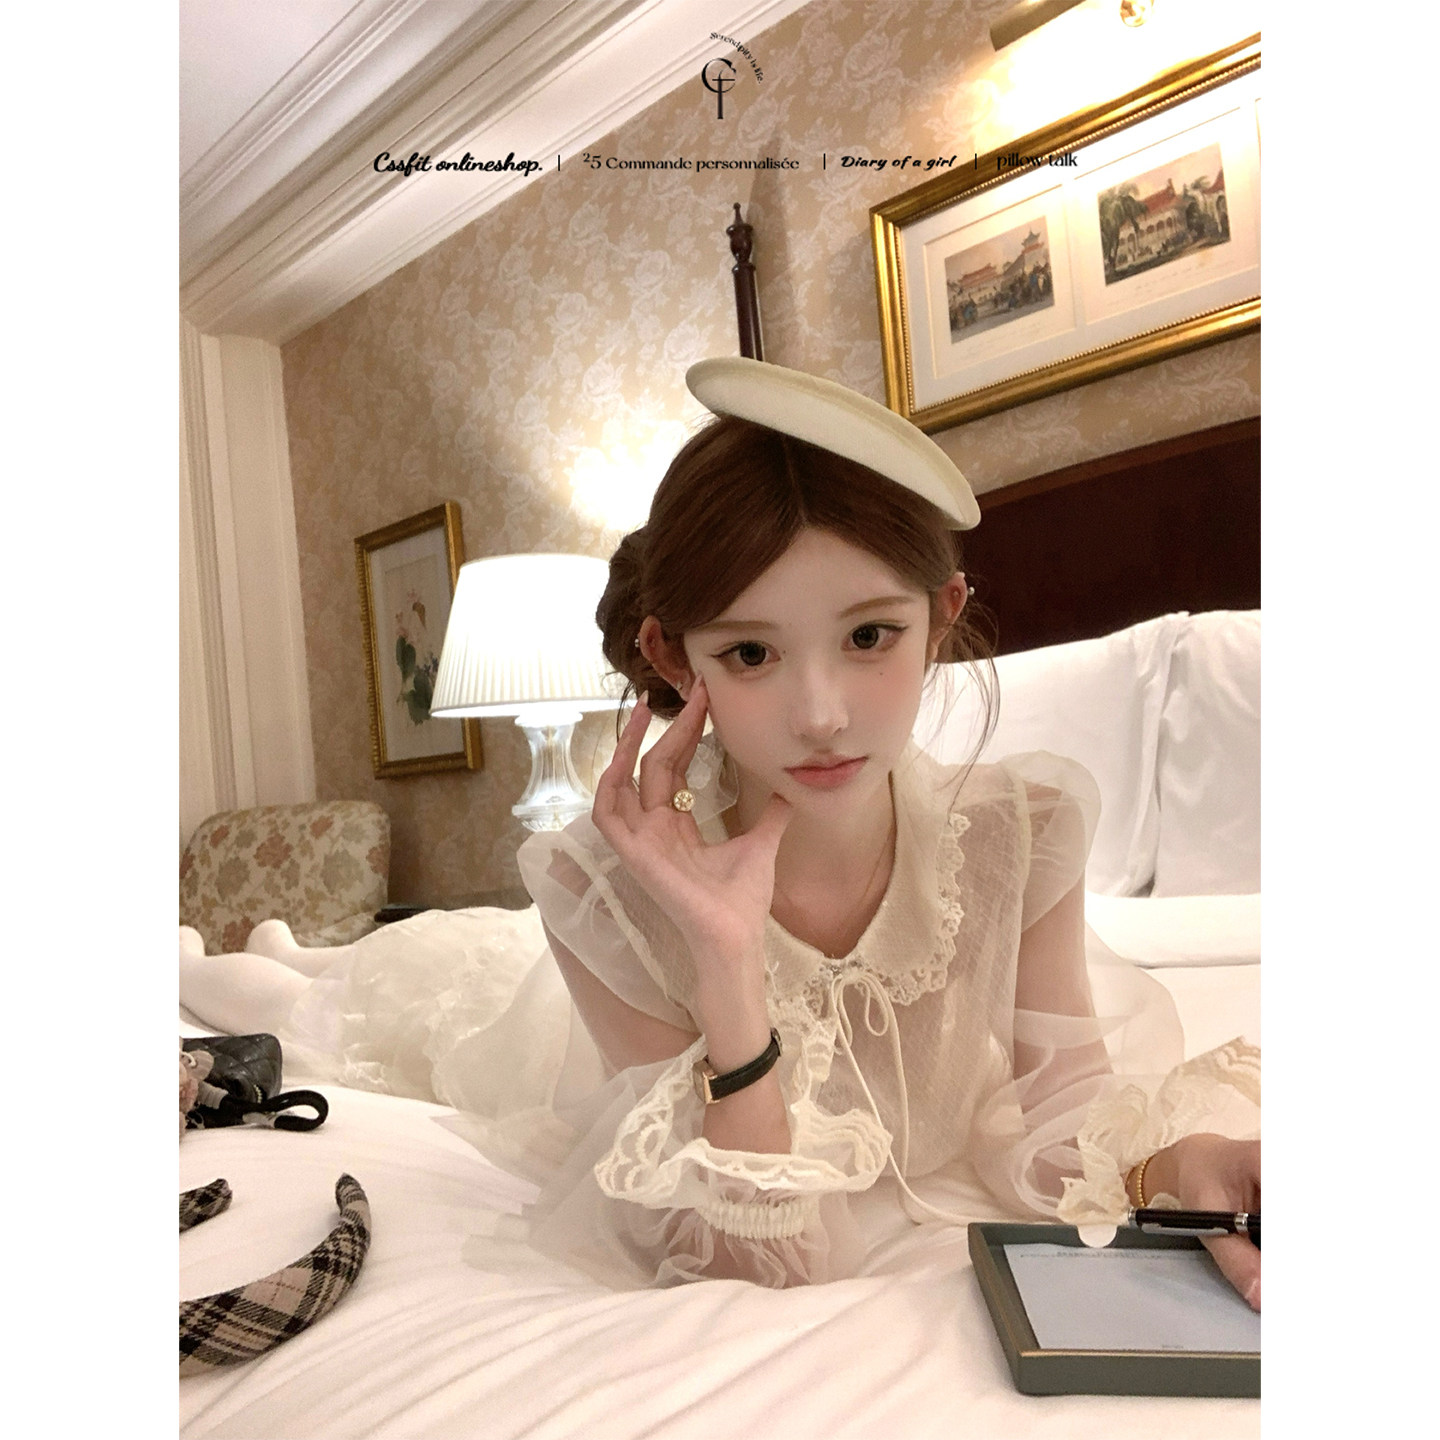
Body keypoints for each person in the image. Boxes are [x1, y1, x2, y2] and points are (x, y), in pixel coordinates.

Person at [180, 358, 1259, 1303]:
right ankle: (249, 962)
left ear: (941, 614)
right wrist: (728, 963)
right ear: (673, 656)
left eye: (871, 636)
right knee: (347, 999)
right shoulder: (596, 888)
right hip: (541, 1038)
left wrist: (1179, 1166)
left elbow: (1066, 1116)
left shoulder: (1025, 833)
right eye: (750, 653)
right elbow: (752, 1265)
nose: (821, 714)